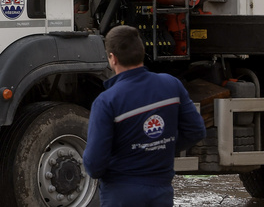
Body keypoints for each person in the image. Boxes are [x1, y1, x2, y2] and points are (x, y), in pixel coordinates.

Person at [83, 25, 206, 206]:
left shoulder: (106, 101)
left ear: (112, 58)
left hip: (121, 194)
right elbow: (196, 131)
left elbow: (94, 165)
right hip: (161, 191)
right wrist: (161, 148)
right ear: (142, 51)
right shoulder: (172, 85)